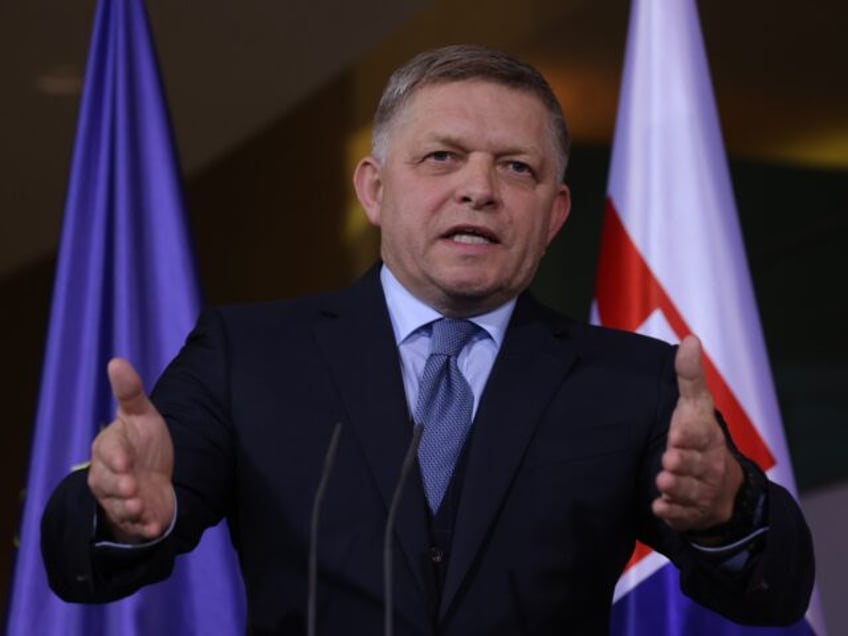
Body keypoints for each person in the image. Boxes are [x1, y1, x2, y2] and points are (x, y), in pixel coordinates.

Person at [41, 45, 814, 634]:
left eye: (516, 167)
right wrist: (113, 510)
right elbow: (81, 570)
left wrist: (728, 511)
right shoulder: (248, 355)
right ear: (375, 189)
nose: (478, 188)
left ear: (554, 213)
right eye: (443, 156)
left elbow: (776, 593)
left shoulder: (634, 381)